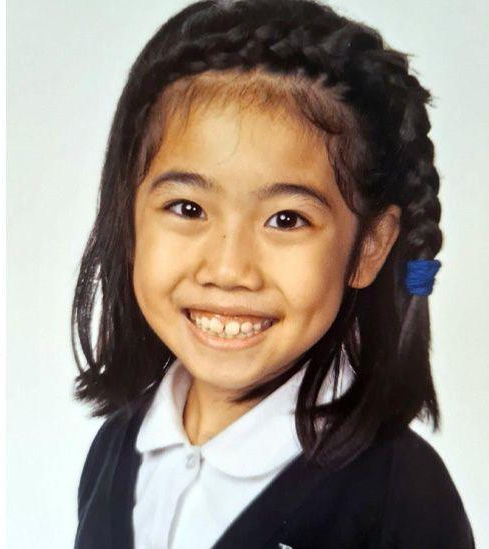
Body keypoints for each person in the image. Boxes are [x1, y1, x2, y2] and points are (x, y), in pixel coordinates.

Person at [71, 1, 473, 547]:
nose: (229, 269)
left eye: (286, 220)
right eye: (188, 208)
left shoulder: (402, 497)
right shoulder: (115, 449)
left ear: (369, 247)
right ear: (129, 213)